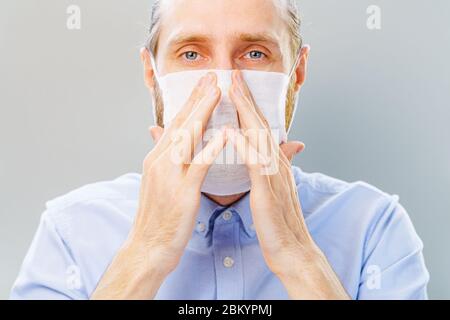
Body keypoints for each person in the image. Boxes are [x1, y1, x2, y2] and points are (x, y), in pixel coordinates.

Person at [10, 0, 429, 300]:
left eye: (254, 53)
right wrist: (146, 252)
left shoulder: (374, 227)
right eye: (191, 53)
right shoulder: (71, 232)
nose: (226, 86)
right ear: (150, 73)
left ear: (297, 72)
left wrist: (298, 255)